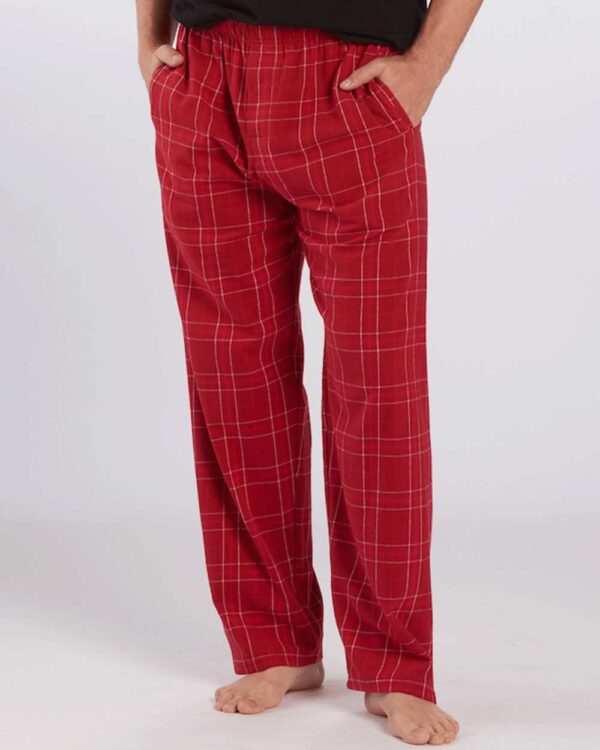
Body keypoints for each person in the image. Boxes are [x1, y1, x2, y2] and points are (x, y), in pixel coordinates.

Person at [135, 0, 483, 744]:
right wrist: (149, 41)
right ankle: (274, 641)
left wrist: (428, 66)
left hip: (351, 78)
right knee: (233, 375)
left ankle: (394, 663)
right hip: (204, 72)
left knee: (378, 385)